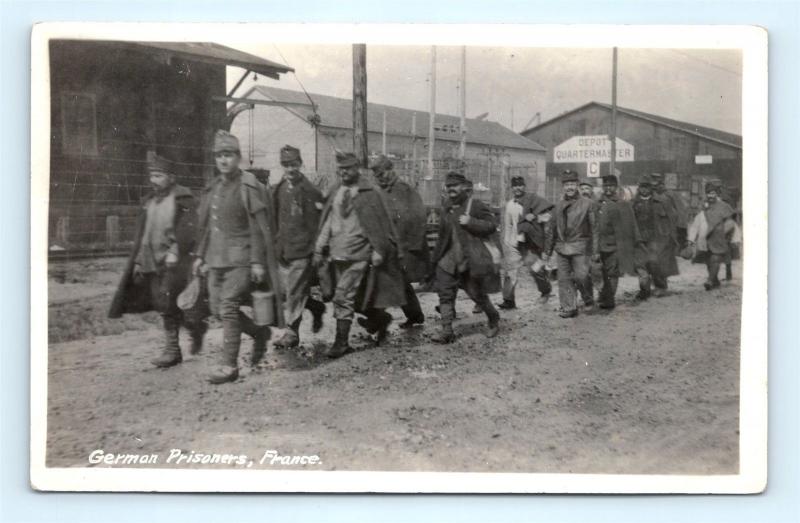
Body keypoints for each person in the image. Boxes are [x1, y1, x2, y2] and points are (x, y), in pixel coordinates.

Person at [193, 130, 284, 384]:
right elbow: (207, 226)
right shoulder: (214, 187)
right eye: (220, 156)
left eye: (229, 155)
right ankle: (259, 333)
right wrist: (200, 255)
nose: (224, 161)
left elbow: (258, 227)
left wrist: (257, 260)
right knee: (216, 308)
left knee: (229, 306)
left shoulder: (247, 185)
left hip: (241, 258)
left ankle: (228, 365)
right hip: (216, 259)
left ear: (238, 157)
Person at [109, 153, 205, 368]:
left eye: (159, 175)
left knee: (170, 302)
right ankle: (188, 334)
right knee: (163, 304)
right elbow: (143, 233)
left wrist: (176, 249)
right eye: (152, 175)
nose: (154, 180)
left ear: (171, 177)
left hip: (175, 262)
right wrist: (138, 261)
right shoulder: (149, 202)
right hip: (151, 260)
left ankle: (173, 349)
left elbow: (189, 229)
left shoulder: (183, 199)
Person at [313, 151, 407, 358]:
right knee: (352, 298)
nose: (344, 172)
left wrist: (378, 250)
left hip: (359, 253)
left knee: (342, 296)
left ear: (357, 168)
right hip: (337, 252)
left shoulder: (370, 192)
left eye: (348, 168)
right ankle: (380, 319)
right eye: (341, 168)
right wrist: (320, 247)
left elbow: (380, 225)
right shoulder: (337, 190)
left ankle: (341, 343)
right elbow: (329, 220)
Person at [430, 171, 501, 343]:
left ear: (463, 187)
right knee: (445, 293)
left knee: (476, 294)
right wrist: (434, 260)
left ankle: (493, 318)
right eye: (448, 186)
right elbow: (442, 236)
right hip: (448, 259)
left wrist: (471, 222)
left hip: (468, 260)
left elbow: (492, 225)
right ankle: (447, 331)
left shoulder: (475, 205)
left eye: (454, 186)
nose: (451, 189)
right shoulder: (446, 206)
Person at [271, 145, 327, 349]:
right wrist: (277, 245)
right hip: (284, 250)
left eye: (294, 165)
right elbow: (274, 220)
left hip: (303, 251)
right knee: (290, 292)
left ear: (300, 164)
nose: (290, 169)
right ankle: (316, 307)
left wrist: (314, 251)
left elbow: (316, 226)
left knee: (294, 292)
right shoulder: (278, 189)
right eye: (286, 165)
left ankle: (291, 333)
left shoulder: (309, 191)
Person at [369, 154, 429, 329]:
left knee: (392, 282)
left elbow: (419, 217)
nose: (380, 178)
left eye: (382, 174)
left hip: (404, 247)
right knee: (396, 282)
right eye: (377, 175)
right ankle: (415, 315)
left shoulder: (405, 190)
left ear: (390, 170)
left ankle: (377, 320)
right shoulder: (378, 192)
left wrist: (412, 248)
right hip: (386, 245)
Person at [543, 169, 597, 318]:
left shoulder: (588, 204)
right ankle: (569, 307)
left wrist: (595, 250)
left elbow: (595, 229)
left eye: (572, 184)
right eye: (567, 184)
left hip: (580, 247)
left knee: (582, 276)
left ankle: (588, 299)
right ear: (563, 187)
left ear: (578, 185)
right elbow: (551, 230)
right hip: (561, 248)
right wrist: (547, 251)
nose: (570, 187)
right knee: (564, 279)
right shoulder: (558, 206)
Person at [497, 175, 554, 309]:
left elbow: (547, 216)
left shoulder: (533, 200)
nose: (518, 188)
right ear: (511, 188)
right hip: (515, 242)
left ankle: (545, 291)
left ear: (524, 187)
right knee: (510, 271)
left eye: (520, 185)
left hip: (530, 242)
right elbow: (508, 225)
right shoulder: (510, 205)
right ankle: (508, 300)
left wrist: (534, 216)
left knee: (534, 269)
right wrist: (507, 243)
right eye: (515, 185)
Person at [592, 174, 642, 309]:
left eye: (611, 186)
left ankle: (609, 300)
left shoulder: (622, 204)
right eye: (606, 186)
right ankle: (602, 295)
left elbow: (632, 224)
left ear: (616, 187)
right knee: (599, 272)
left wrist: (636, 241)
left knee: (612, 273)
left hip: (615, 245)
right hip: (598, 245)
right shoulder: (597, 203)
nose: (608, 189)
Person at [631, 174, 679, 300]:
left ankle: (660, 286)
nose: (644, 190)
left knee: (654, 262)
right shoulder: (633, 203)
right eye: (642, 187)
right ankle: (644, 289)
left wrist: (670, 235)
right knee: (641, 265)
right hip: (639, 238)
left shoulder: (661, 201)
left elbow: (673, 218)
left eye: (647, 187)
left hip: (656, 238)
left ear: (651, 188)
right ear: (638, 188)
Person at [687, 180, 738, 290]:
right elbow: (696, 223)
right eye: (709, 193)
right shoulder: (703, 207)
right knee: (708, 261)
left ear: (717, 194)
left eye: (713, 193)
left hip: (719, 239)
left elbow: (731, 223)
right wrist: (691, 239)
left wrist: (729, 236)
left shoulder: (724, 206)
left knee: (715, 258)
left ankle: (710, 281)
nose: (711, 196)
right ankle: (714, 280)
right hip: (705, 239)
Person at [651, 172, 689, 249]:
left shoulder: (671, 195)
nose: (655, 187)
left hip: (669, 228)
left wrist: (682, 231)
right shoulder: (649, 195)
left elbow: (681, 211)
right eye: (653, 185)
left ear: (661, 184)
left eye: (657, 184)